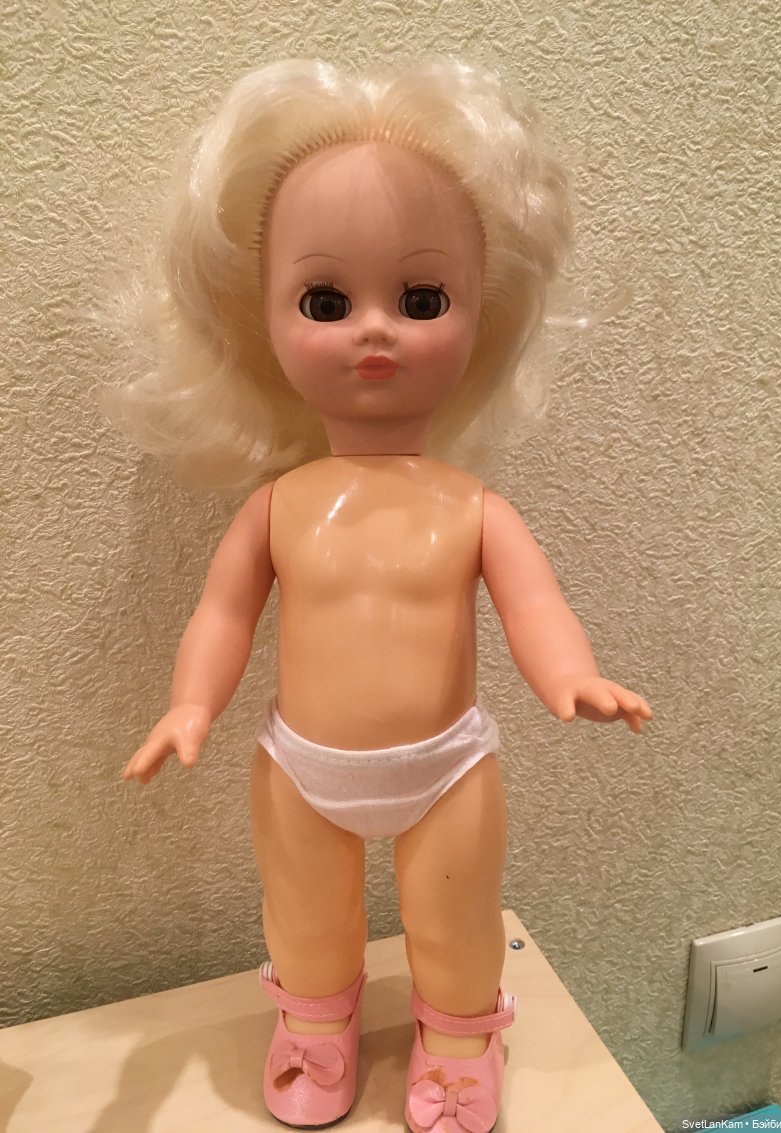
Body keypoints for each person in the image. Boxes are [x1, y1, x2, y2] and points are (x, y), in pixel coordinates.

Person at [111, 58, 652, 1133]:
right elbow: (223, 613)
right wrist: (189, 704)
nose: (374, 329)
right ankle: (315, 1026)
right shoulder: (279, 506)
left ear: (482, 315)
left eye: (420, 300)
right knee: (305, 919)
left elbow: (534, 606)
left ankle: (457, 1042)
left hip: (446, 765)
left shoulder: (472, 507)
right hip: (300, 765)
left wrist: (571, 675)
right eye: (325, 301)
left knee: (455, 924)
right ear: (259, 318)